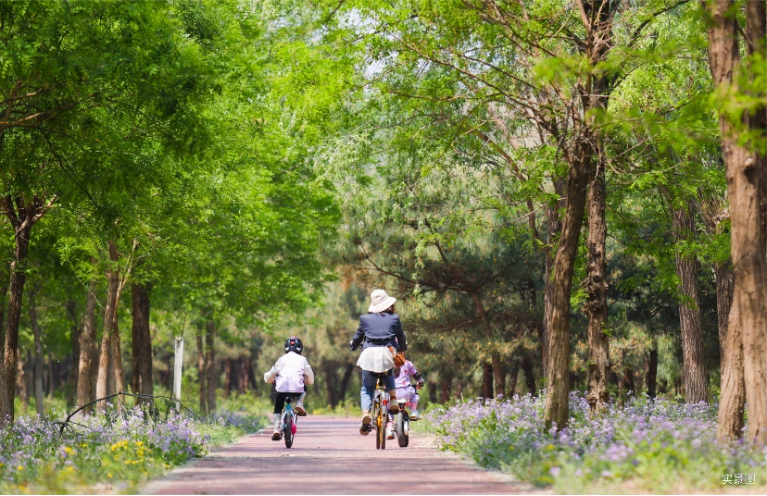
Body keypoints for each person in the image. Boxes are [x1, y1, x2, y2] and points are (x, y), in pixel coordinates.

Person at [350, 289, 407, 436]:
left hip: (369, 354)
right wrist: (401, 351)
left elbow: (357, 337)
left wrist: (353, 345)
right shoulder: (394, 318)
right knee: (388, 374)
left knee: (367, 387)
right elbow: (401, 338)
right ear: (388, 304)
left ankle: (365, 413)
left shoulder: (365, 319)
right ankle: (393, 400)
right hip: (387, 353)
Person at [264, 337, 314, 441]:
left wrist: (269, 380)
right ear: (300, 348)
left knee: (278, 406)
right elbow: (310, 377)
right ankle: (299, 403)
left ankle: (276, 429)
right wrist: (308, 381)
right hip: (297, 389)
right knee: (304, 387)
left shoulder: (281, 359)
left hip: (282, 388)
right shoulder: (303, 360)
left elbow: (271, 374)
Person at [386, 359, 424, 439]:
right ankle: (414, 412)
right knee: (415, 393)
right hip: (406, 392)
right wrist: (420, 382)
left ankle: (389, 428)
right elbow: (416, 375)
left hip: (392, 394)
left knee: (388, 409)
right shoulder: (407, 363)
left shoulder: (387, 362)